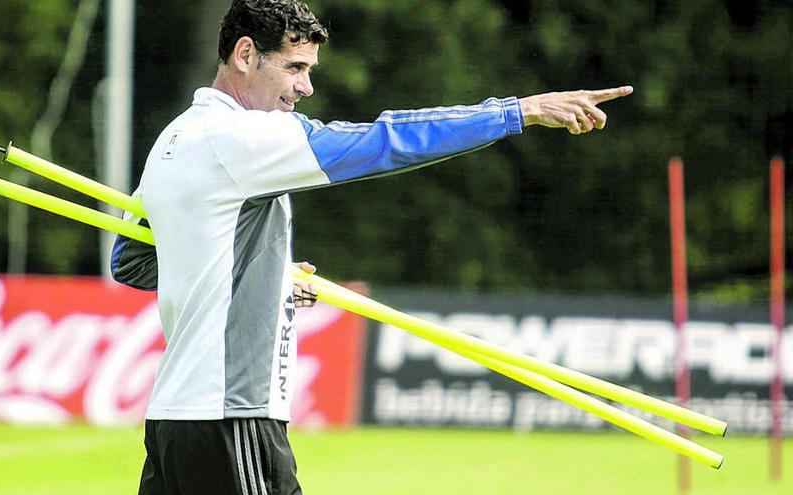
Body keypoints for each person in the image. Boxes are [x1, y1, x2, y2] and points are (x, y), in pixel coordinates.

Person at [111, 1, 633, 493]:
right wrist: (518, 111)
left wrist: (260, 275)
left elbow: (130, 260)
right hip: (233, 417)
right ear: (246, 54)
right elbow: (386, 142)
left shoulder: (174, 139)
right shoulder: (244, 138)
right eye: (295, 67)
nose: (306, 86)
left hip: (172, 422)